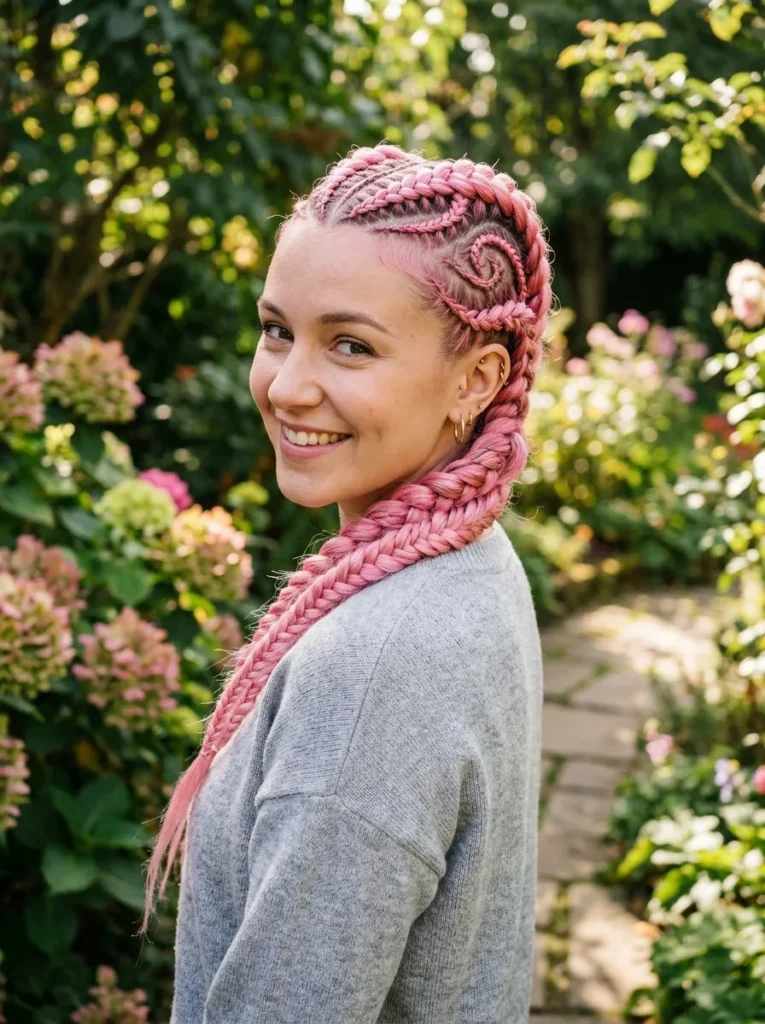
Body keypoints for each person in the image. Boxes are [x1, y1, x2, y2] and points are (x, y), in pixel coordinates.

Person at [141, 142, 553, 1023]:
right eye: (277, 329)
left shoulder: (374, 666)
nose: (288, 385)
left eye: (351, 346)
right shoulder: (472, 559)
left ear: (475, 380)